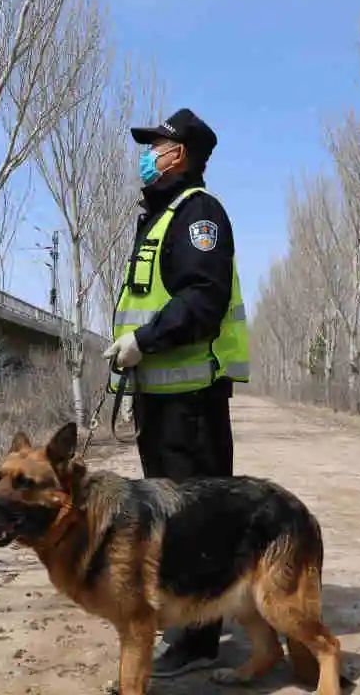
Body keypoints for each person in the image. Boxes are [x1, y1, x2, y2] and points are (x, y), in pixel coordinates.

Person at [102, 107, 250, 677]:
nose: (147, 155)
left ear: (180, 153)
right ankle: (190, 624)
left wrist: (143, 340)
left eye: (155, 146)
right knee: (174, 520)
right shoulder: (164, 216)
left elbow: (202, 301)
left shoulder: (197, 214)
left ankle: (198, 639)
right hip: (164, 403)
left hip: (190, 404)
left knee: (195, 522)